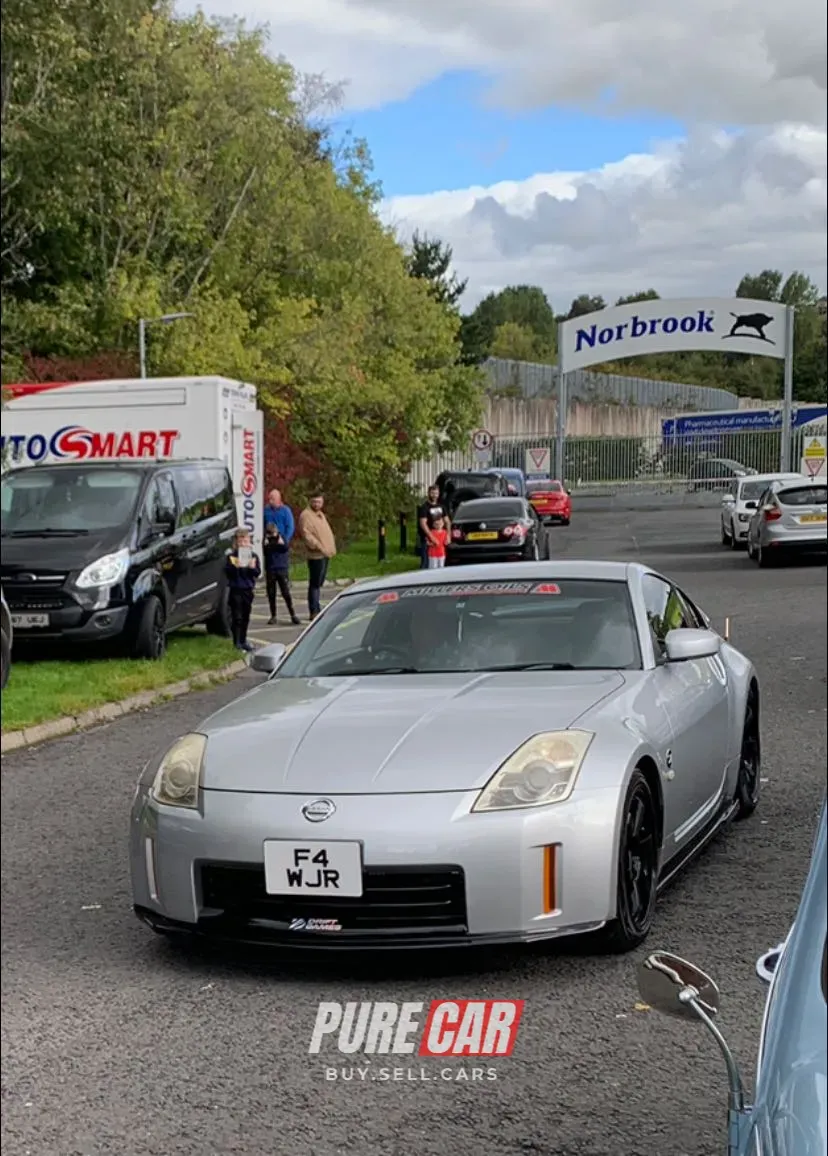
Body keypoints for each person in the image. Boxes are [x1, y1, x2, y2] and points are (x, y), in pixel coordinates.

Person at [297, 492, 337, 620]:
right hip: (316, 555)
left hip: (325, 553)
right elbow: (307, 535)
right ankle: (313, 610)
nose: (317, 504)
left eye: (319, 502)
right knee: (314, 583)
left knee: (319, 583)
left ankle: (317, 607)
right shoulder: (306, 515)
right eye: (314, 501)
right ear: (310, 501)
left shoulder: (320, 515)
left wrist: (329, 548)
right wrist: (318, 546)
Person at [225, 529, 261, 651]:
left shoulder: (253, 556)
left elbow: (257, 573)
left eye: (245, 541)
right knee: (237, 617)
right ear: (236, 542)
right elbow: (227, 573)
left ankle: (243, 640)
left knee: (246, 616)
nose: (243, 543)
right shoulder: (231, 556)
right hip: (236, 589)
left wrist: (252, 567)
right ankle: (237, 642)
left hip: (247, 589)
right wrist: (236, 567)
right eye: (241, 541)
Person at [263, 521, 301, 626]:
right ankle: (273, 615)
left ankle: (292, 614)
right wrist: (273, 544)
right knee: (271, 593)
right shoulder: (266, 539)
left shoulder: (282, 537)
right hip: (271, 568)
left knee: (286, 592)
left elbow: (284, 548)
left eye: (273, 532)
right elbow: (266, 550)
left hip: (281, 568)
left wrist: (274, 544)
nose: (272, 535)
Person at [417, 484, 449, 569]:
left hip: (441, 540)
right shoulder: (424, 507)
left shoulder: (442, 507)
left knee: (440, 564)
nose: (434, 495)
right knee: (426, 563)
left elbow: (447, 522)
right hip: (427, 540)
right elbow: (423, 523)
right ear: (428, 493)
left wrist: (448, 536)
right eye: (432, 493)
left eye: (436, 493)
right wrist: (431, 537)